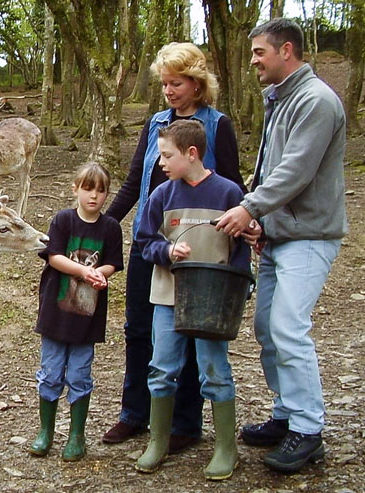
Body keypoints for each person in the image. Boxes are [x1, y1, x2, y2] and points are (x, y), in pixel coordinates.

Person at [216, 18, 347, 473]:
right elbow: (271, 168)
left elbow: (296, 171)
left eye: (258, 52)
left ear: (286, 50)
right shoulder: (283, 100)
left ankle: (309, 431)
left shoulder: (316, 101)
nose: (252, 61)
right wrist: (263, 224)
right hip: (279, 236)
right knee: (268, 330)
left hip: (309, 237)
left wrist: (249, 209)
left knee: (289, 327)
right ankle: (287, 413)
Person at [102, 41, 247, 450]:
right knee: (139, 328)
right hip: (152, 240)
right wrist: (105, 226)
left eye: (177, 82)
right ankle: (135, 413)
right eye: (165, 83)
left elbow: (235, 188)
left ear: (197, 85)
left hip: (200, 247)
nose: (169, 90)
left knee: (192, 327)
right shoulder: (156, 124)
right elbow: (136, 182)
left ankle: (185, 423)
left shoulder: (216, 125)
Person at [134, 120, 251, 480]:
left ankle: (226, 448)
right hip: (169, 297)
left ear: (192, 154)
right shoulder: (161, 196)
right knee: (162, 368)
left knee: (214, 369)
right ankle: (158, 441)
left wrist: (236, 291)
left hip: (212, 301)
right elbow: (143, 241)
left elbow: (241, 250)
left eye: (167, 155)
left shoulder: (229, 194)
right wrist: (167, 250)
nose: (161, 162)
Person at [29, 162, 124, 461]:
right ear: (76, 189)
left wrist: (100, 274)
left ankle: (76, 436)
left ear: (107, 194)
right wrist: (84, 272)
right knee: (51, 372)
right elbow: (53, 257)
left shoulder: (111, 227)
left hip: (87, 317)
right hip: (56, 314)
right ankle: (45, 432)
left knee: (81, 375)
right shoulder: (63, 221)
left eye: (100, 190)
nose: (93, 196)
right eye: (87, 188)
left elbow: (112, 262)